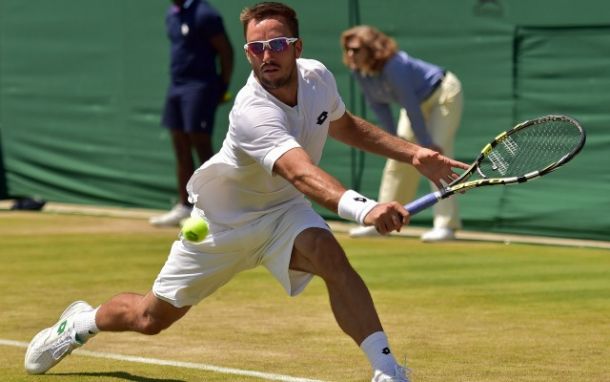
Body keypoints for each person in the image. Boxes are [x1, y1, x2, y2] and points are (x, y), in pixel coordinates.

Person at [24, 3, 468, 381]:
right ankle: (79, 324)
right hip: (223, 224)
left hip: (283, 214)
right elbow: (301, 173)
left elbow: (345, 125)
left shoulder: (317, 78)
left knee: (331, 257)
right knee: (148, 319)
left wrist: (413, 153)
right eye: (256, 48)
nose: (266, 56)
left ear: (296, 47)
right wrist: (364, 210)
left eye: (276, 45)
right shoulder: (251, 109)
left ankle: (386, 371)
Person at [341, 25, 464, 242]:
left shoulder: (393, 66)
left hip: (443, 95)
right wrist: (393, 142)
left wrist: (425, 143)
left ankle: (446, 225)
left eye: (356, 49)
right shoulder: (358, 70)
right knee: (397, 159)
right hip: (415, 106)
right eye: (348, 50)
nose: (351, 54)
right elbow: (378, 105)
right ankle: (382, 221)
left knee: (437, 159)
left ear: (371, 49)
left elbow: (410, 104)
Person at [150, 0, 234, 227]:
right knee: (180, 143)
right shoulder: (172, 14)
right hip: (176, 86)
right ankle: (184, 206)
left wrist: (222, 88)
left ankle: (216, 206)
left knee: (201, 144)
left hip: (200, 86)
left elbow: (226, 52)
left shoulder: (205, 14)